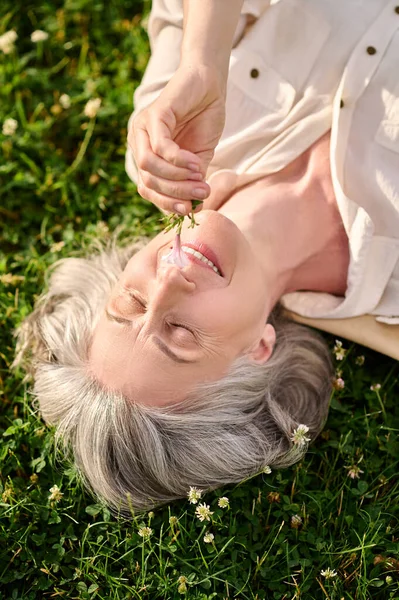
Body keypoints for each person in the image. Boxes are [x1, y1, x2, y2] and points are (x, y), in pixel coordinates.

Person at [14, 0, 399, 513]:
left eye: (131, 301)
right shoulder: (389, 288)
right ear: (258, 351)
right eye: (180, 333)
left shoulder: (166, 134)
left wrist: (202, 59)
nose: (170, 280)